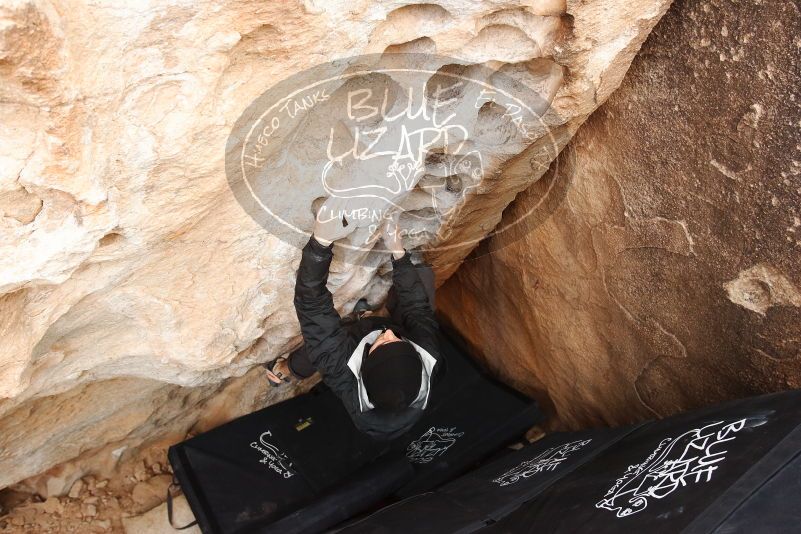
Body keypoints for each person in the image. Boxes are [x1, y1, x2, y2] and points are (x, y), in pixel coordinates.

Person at [265, 209, 441, 441]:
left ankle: (287, 370)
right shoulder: (428, 352)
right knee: (420, 280)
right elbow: (417, 309)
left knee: (318, 349)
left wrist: (320, 243)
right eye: (398, 341)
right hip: (388, 354)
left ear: (366, 363)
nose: (389, 334)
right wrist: (398, 252)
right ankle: (369, 320)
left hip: (347, 355)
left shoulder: (342, 372)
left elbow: (312, 306)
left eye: (382, 344)